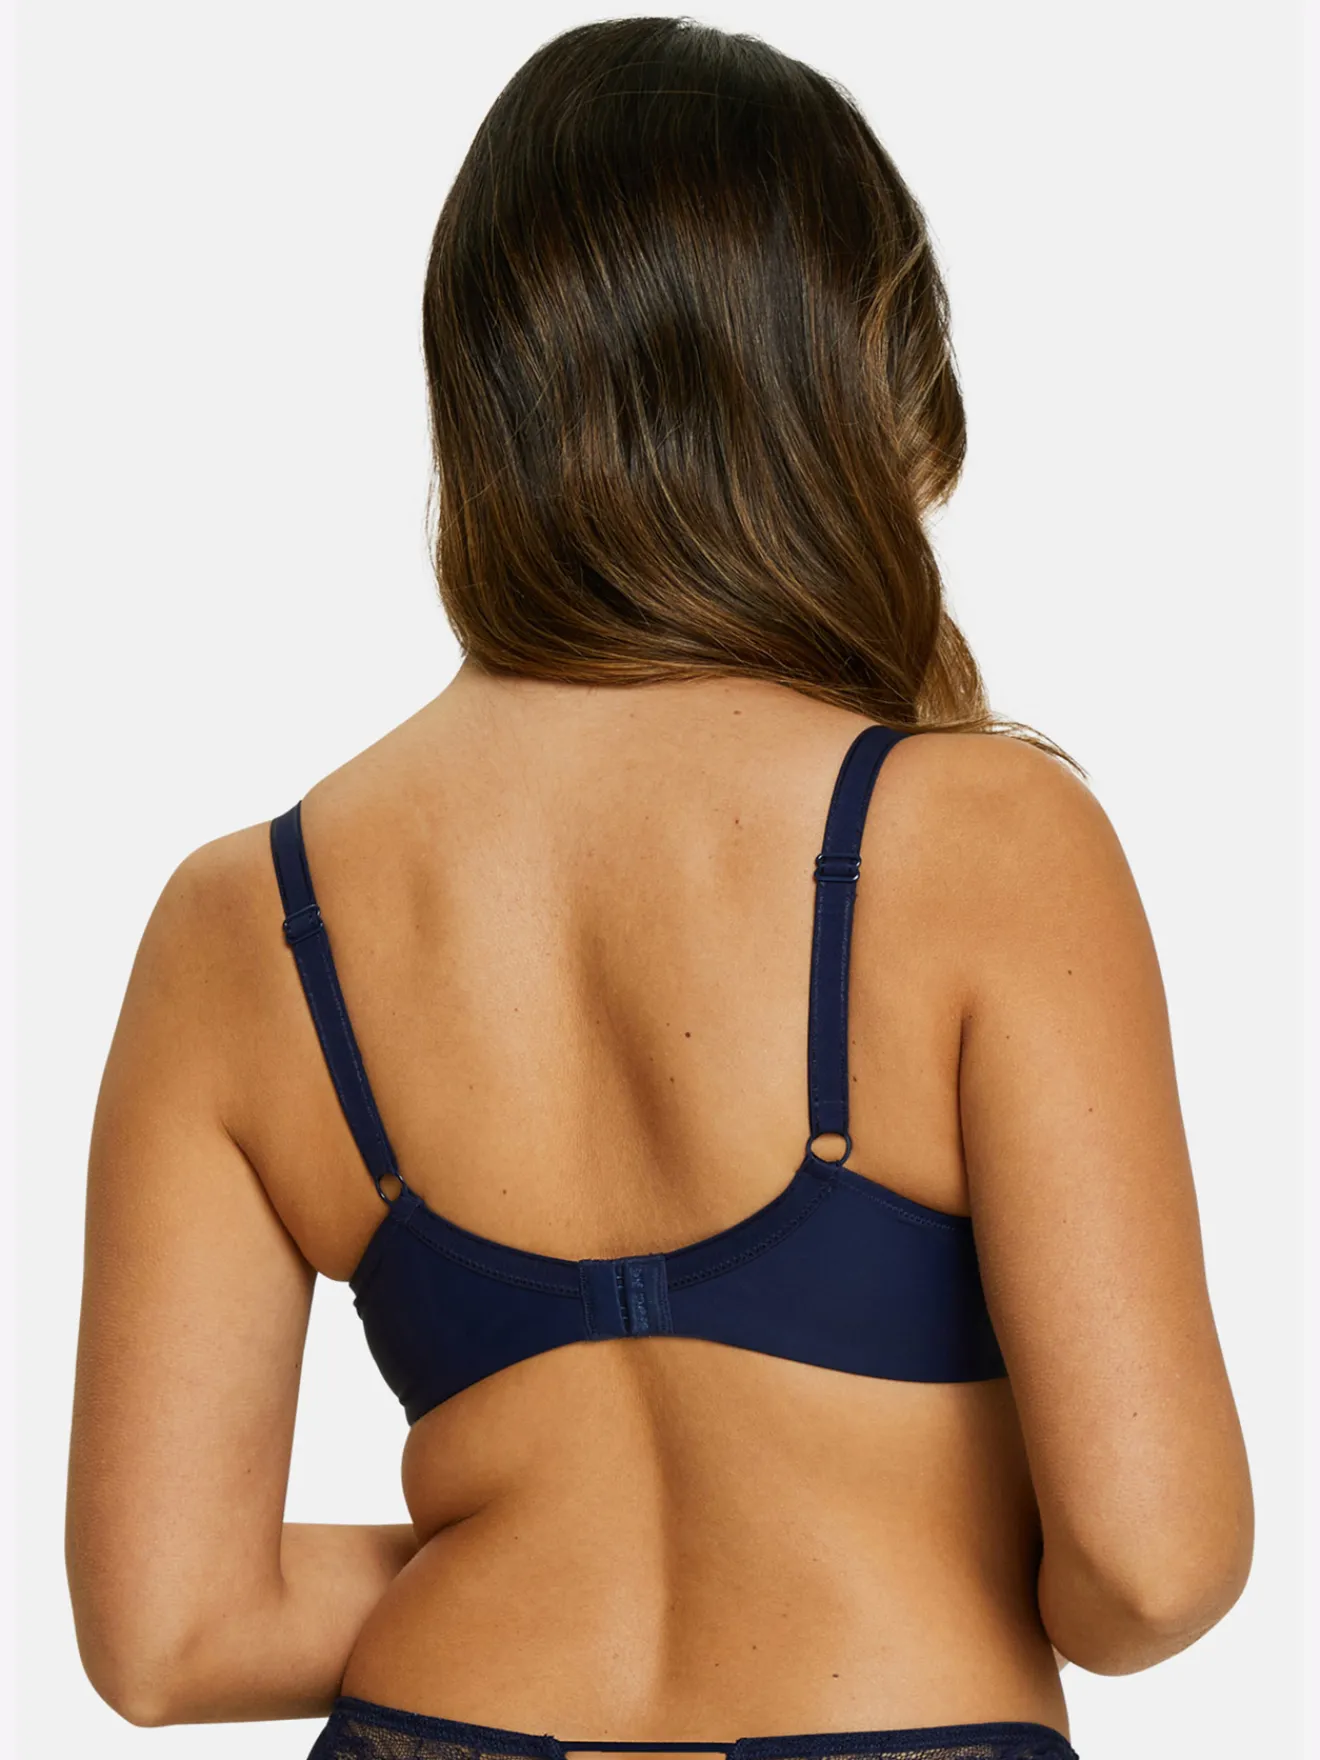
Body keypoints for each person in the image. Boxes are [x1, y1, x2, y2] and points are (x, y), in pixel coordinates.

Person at [65, 18, 1253, 1760]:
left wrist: (528, 1532)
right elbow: (1152, 1568)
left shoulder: (240, 921)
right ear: (858, 388)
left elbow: (172, 1635)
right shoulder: (987, 839)